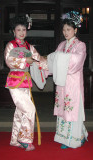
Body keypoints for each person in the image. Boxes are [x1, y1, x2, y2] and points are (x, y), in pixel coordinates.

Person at [43, 11, 88, 149]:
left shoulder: (81, 46)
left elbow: (76, 62)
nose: (65, 32)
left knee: (73, 109)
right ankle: (70, 136)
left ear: (75, 30)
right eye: (64, 30)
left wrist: (60, 57)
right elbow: (54, 61)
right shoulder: (62, 45)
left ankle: (75, 138)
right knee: (64, 109)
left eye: (68, 29)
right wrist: (43, 62)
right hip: (62, 84)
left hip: (73, 84)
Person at [4, 15, 46, 151]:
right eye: (18, 30)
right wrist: (24, 61)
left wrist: (51, 64)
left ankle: (15, 139)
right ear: (13, 31)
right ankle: (25, 139)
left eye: (23, 30)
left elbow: (39, 59)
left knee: (20, 112)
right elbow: (9, 61)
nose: (21, 32)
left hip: (26, 82)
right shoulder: (11, 45)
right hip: (15, 82)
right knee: (29, 109)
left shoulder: (29, 46)